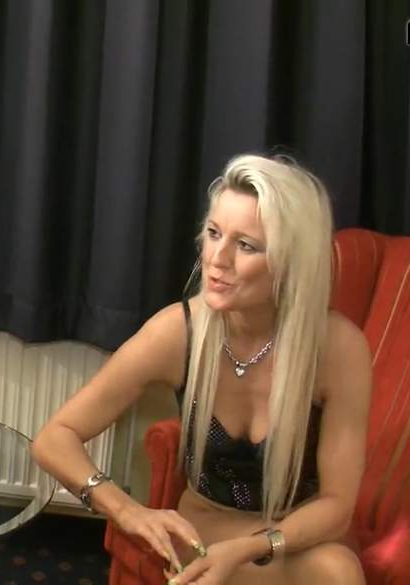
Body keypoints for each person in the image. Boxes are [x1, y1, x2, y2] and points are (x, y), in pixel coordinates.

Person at [33, 154, 371, 584]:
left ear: (291, 262)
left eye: (245, 245)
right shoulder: (178, 332)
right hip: (207, 528)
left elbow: (338, 505)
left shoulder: (338, 349)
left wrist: (250, 548)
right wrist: (127, 510)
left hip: (294, 537)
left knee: (337, 571)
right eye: (214, 233)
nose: (217, 258)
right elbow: (54, 438)